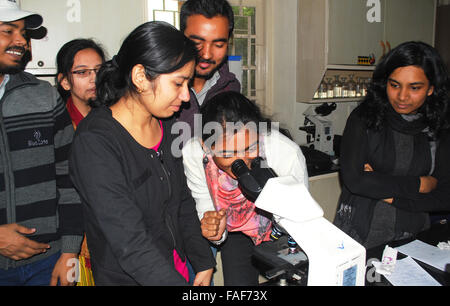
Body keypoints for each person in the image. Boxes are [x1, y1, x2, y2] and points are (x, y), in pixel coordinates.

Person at [69, 21, 216, 286]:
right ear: (140, 77)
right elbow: (129, 240)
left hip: (177, 267)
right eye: (178, 83)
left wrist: (202, 260)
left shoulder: (167, 125)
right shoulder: (96, 141)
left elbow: (182, 202)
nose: (185, 97)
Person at [182, 91, 309, 285]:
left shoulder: (285, 153)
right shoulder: (194, 154)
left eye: (250, 148)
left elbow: (301, 215)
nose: (241, 162)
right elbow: (206, 205)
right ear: (206, 146)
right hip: (237, 229)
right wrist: (214, 229)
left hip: (282, 229)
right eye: (228, 153)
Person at [334, 41, 450, 249]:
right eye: (394, 85)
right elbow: (355, 181)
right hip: (358, 232)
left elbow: (443, 197)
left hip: (413, 236)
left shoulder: (439, 128)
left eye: (415, 88)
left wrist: (387, 194)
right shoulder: (365, 118)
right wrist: (419, 184)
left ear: (431, 89)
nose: (402, 96)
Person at [0, 1, 83, 286]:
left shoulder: (44, 97)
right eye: (8, 31)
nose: (21, 41)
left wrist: (71, 251)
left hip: (49, 262)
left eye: (23, 32)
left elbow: (70, 178)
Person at [56, 38, 106, 286]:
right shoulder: (57, 128)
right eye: (82, 72)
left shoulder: (118, 119)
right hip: (72, 239)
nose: (94, 79)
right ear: (65, 81)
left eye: (99, 71)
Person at [176, 0, 240, 135]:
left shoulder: (231, 87)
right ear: (181, 37)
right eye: (197, 43)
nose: (206, 54)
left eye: (218, 45)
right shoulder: (161, 85)